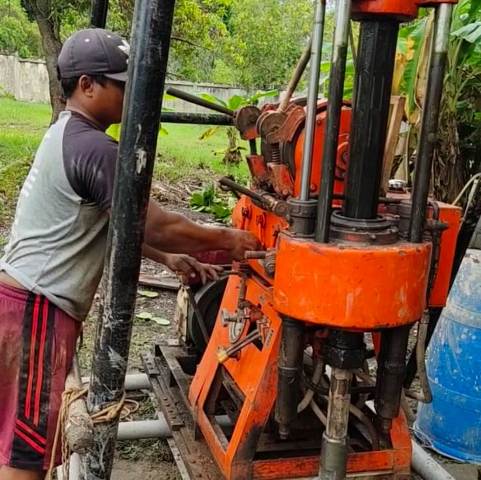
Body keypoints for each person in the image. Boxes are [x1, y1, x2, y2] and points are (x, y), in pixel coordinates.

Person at [0, 28, 259, 480]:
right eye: (122, 84)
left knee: (18, 441)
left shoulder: (68, 133)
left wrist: (167, 259)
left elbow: (114, 222)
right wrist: (227, 239)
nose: (130, 94)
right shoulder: (95, 148)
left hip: (23, 304)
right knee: (26, 457)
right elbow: (154, 222)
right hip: (36, 314)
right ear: (87, 85)